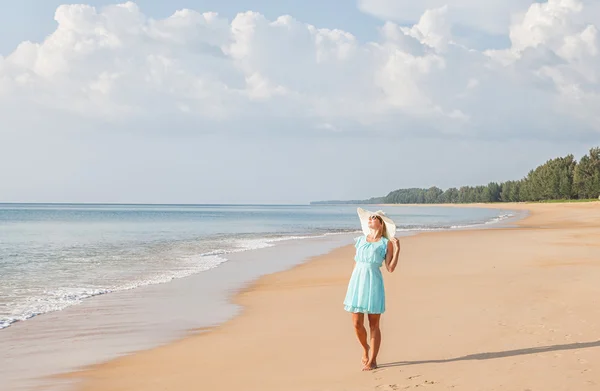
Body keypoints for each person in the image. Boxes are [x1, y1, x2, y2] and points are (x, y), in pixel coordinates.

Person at [343, 207, 401, 371]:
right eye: (369, 218)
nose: (370, 219)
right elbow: (356, 263)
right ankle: (365, 349)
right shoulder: (360, 240)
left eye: (374, 217)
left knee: (374, 324)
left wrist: (397, 250)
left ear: (381, 224)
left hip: (374, 283)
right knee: (356, 323)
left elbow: (390, 268)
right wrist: (352, 282)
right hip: (357, 283)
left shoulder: (386, 243)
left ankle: (373, 360)